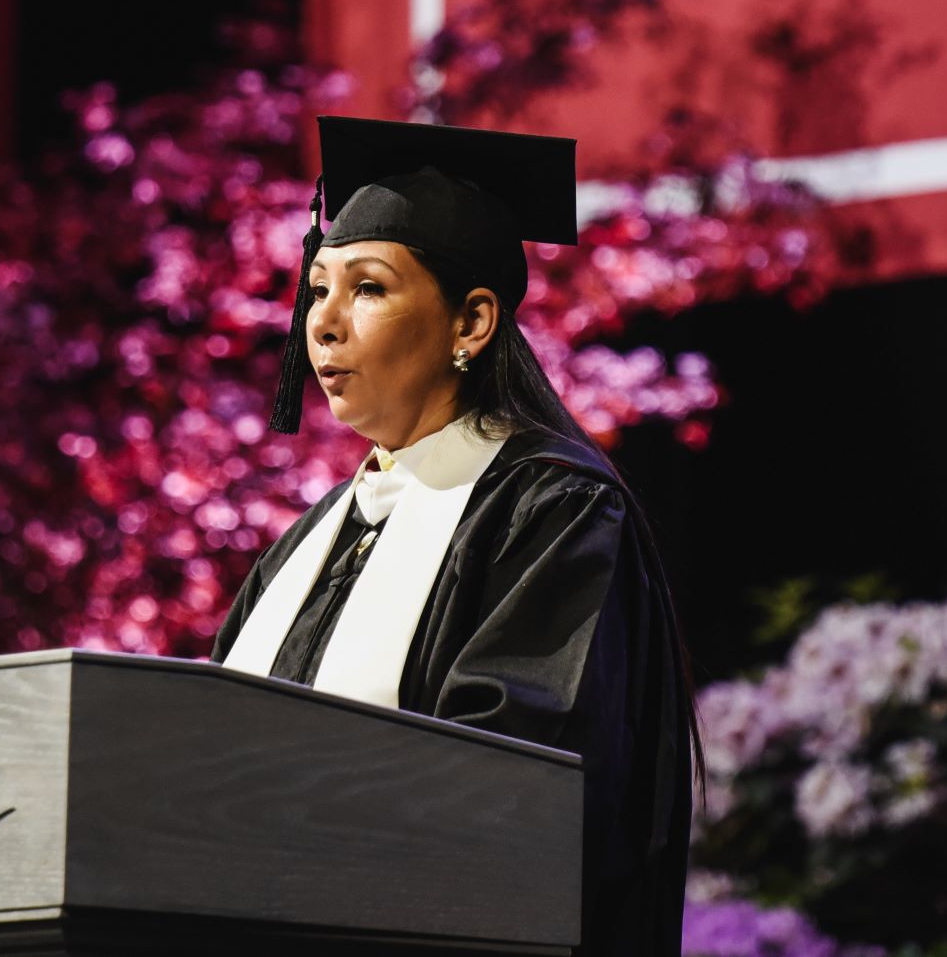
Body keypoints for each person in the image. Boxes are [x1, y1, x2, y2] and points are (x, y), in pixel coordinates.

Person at [211, 116, 695, 957]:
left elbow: (512, 782)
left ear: (471, 323)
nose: (321, 324)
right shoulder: (306, 544)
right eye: (316, 289)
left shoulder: (554, 513)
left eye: (366, 289)